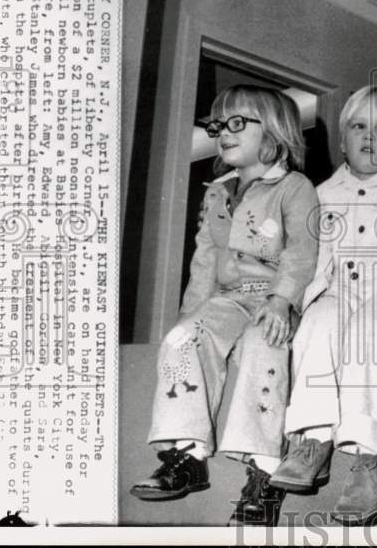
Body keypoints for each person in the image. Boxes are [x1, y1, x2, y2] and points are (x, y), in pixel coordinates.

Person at [129, 85, 319, 528]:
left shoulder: (293, 186)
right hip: (227, 298)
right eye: (217, 125)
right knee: (182, 339)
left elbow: (302, 251)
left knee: (263, 347)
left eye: (237, 123)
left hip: (273, 298)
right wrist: (188, 317)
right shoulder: (216, 192)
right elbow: (205, 262)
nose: (222, 133)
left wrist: (281, 301)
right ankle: (188, 455)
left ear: (274, 131)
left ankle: (264, 469)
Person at [270, 86, 377, 525]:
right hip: (339, 292)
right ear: (342, 139)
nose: (368, 136)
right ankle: (312, 438)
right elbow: (317, 258)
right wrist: (300, 304)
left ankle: (373, 456)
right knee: (316, 325)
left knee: (370, 334)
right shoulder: (323, 193)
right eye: (358, 127)